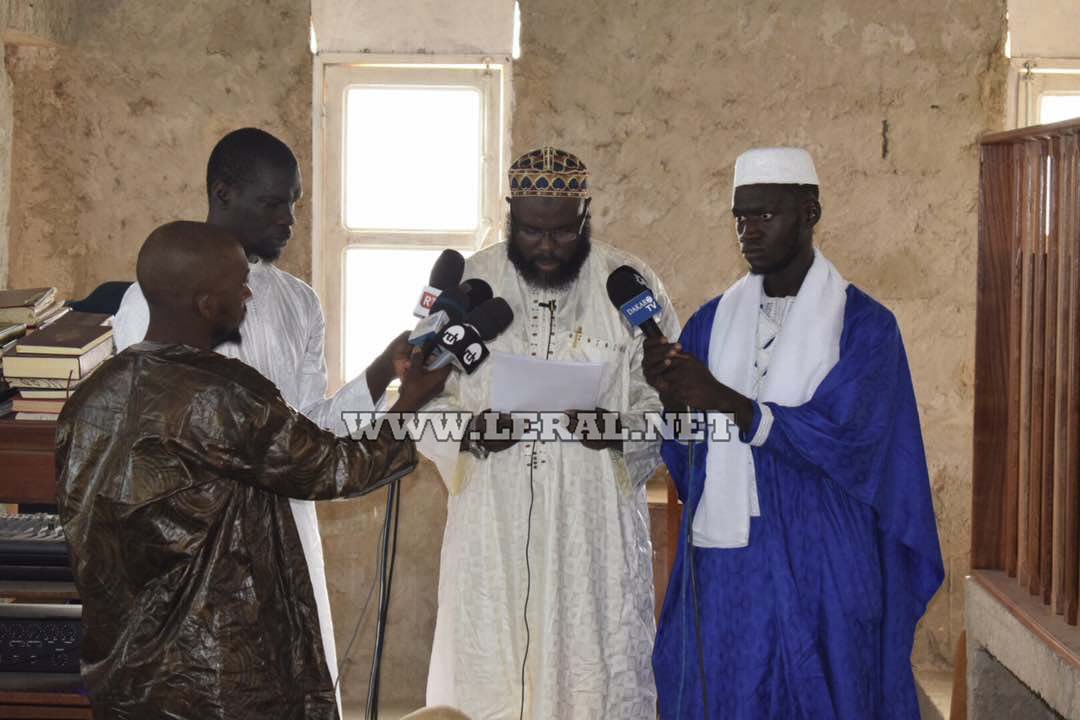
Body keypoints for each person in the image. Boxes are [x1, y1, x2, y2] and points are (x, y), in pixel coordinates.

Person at [57, 221, 449, 720]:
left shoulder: (90, 397)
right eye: (237, 283)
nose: (247, 292)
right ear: (206, 303)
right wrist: (409, 403)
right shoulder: (223, 395)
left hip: (125, 675)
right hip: (219, 676)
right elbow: (334, 467)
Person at [645, 147, 943, 719]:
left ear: (810, 211)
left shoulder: (865, 327)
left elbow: (850, 437)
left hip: (823, 556)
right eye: (739, 216)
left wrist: (727, 402)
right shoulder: (710, 322)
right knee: (724, 693)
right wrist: (671, 396)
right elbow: (691, 460)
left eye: (765, 215)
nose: (747, 230)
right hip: (729, 562)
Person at [112, 128, 410, 697]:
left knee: (294, 691)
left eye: (294, 203)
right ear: (222, 194)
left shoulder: (299, 301)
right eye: (272, 204)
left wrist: (383, 372)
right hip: (199, 552)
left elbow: (309, 430)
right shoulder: (152, 304)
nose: (289, 221)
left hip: (289, 537)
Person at [418, 147, 679, 719]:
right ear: (511, 212)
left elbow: (664, 396)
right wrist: (468, 432)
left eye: (563, 231)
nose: (546, 246)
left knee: (592, 673)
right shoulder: (470, 286)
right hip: (493, 515)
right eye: (533, 230)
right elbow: (421, 395)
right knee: (490, 669)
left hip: (593, 523)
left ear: (587, 212)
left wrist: (618, 431)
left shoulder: (629, 286)